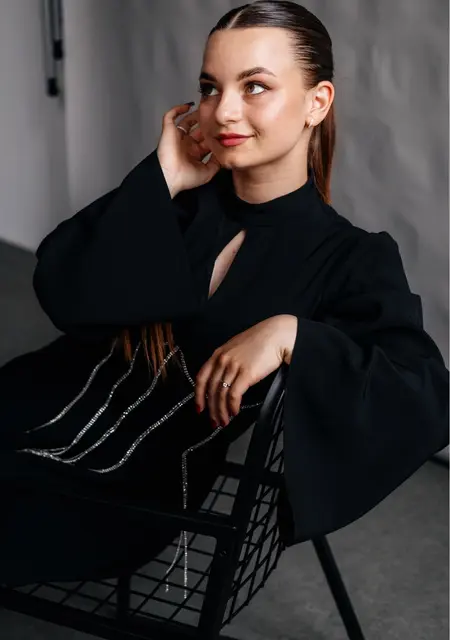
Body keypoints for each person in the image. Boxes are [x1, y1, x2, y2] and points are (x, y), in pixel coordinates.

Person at [1, 0, 448, 600]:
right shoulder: (177, 203)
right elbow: (61, 285)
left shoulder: (352, 258)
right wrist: (162, 176)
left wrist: (294, 335)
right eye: (210, 88)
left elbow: (424, 392)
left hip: (122, 492)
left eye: (255, 86)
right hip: (25, 409)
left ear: (317, 102)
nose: (223, 111)